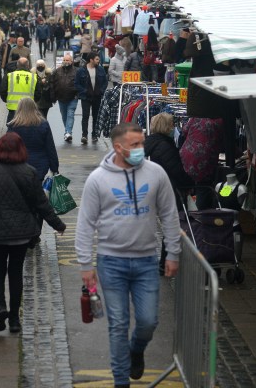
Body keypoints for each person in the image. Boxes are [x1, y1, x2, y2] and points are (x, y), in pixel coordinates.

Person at [75, 123, 181, 387]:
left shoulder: (156, 173)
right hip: (111, 263)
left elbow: (169, 213)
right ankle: (121, 381)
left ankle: (137, 349)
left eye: (142, 143)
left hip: (146, 261)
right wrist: (85, 264)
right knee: (118, 324)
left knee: (148, 321)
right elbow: (85, 224)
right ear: (118, 147)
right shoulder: (98, 179)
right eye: (135, 145)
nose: (140, 150)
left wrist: (173, 253)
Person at [0, 133, 65, 334]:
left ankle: (0, 307)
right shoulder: (29, 172)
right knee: (15, 272)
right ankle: (14, 318)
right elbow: (41, 204)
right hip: (21, 232)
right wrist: (57, 225)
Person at [7, 98, 59, 181]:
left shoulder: (13, 125)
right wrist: (54, 167)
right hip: (40, 165)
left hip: (18, 164)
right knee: (37, 188)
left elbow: (8, 148)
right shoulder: (43, 124)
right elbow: (50, 147)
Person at [144, 113, 194, 200]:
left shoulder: (150, 142)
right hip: (169, 191)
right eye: (171, 124)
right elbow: (176, 170)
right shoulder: (164, 146)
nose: (173, 127)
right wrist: (190, 183)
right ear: (166, 127)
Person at [75, 52, 108, 144]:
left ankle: (94, 135)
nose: (99, 60)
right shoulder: (81, 70)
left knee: (96, 116)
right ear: (91, 60)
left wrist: (101, 91)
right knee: (85, 116)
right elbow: (77, 84)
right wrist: (84, 91)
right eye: (97, 59)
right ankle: (84, 135)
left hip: (97, 97)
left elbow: (105, 82)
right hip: (86, 97)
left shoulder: (100, 69)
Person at [0, 56, 39, 125]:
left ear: (17, 65)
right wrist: (33, 102)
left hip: (13, 108)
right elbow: (38, 93)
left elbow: (3, 90)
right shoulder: (33, 77)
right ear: (28, 65)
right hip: (28, 108)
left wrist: (7, 99)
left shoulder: (9, 75)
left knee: (12, 130)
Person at [51, 52, 79, 143]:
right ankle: (67, 131)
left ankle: (68, 132)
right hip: (61, 97)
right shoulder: (57, 71)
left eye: (67, 60)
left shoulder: (76, 71)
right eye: (64, 60)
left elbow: (81, 83)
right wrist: (54, 96)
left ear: (72, 61)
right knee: (64, 116)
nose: (65, 61)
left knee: (70, 114)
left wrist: (78, 94)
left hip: (73, 97)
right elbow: (52, 83)